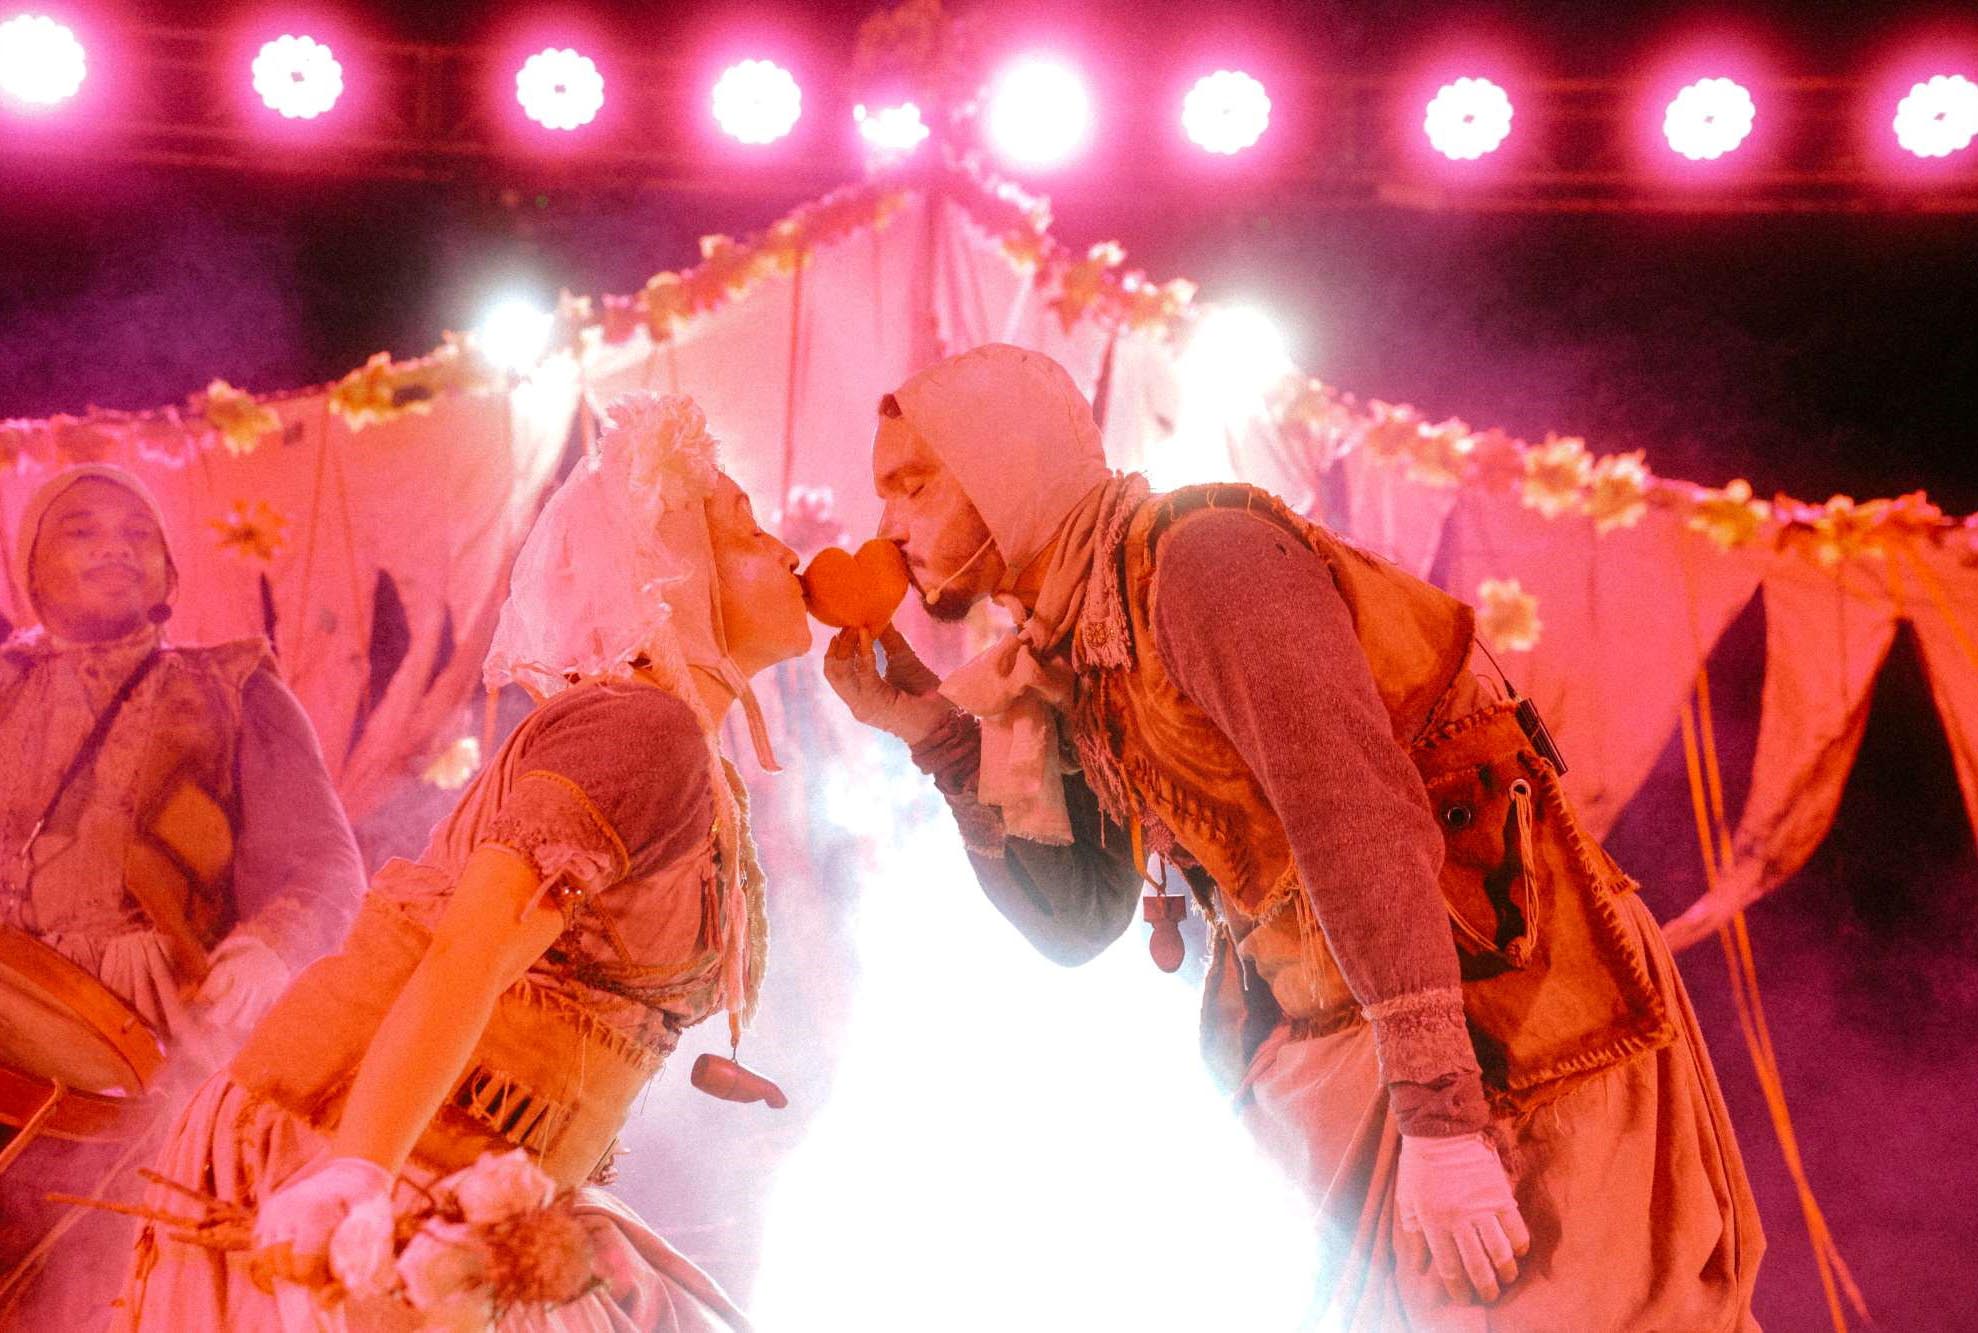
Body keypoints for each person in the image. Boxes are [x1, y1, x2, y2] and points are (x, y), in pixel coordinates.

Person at [824, 344, 1762, 1329]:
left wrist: (1443, 1123)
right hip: (1359, 1066)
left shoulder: (1204, 561)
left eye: (915, 485)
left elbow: (1355, 812)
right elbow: (1078, 919)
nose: (889, 527)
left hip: (1516, 1044)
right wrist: (937, 738)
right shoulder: (1074, 652)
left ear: (1002, 463)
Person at [113, 392, 811, 1329]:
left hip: (459, 1180)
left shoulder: (680, 750)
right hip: (349, 1147)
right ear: (676, 569)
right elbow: (469, 950)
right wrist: (358, 1176)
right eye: (747, 529)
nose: (789, 553)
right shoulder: (643, 731)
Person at [0, 464, 364, 1315]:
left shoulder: (231, 689)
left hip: (152, 1049)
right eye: (81, 530)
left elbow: (323, 863)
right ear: (28, 573)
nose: (115, 547)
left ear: (169, 572)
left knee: (112, 1297)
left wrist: (271, 945)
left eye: (139, 534)